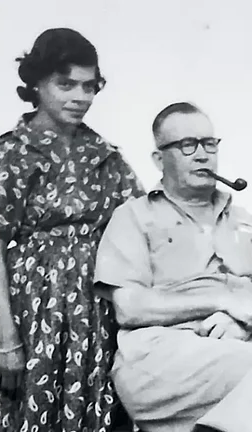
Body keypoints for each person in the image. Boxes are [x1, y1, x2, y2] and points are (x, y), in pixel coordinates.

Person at [0, 28, 144, 431]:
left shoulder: (106, 156)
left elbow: (143, 223)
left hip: (96, 315)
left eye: (88, 86)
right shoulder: (13, 152)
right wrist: (5, 339)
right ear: (37, 83)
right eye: (65, 84)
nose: (80, 97)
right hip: (32, 312)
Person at [94, 102, 252, 432]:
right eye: (187, 145)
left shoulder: (243, 220)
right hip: (158, 356)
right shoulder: (134, 217)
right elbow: (129, 308)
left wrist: (239, 323)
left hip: (236, 345)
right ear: (158, 159)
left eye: (209, 143)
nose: (202, 155)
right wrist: (221, 301)